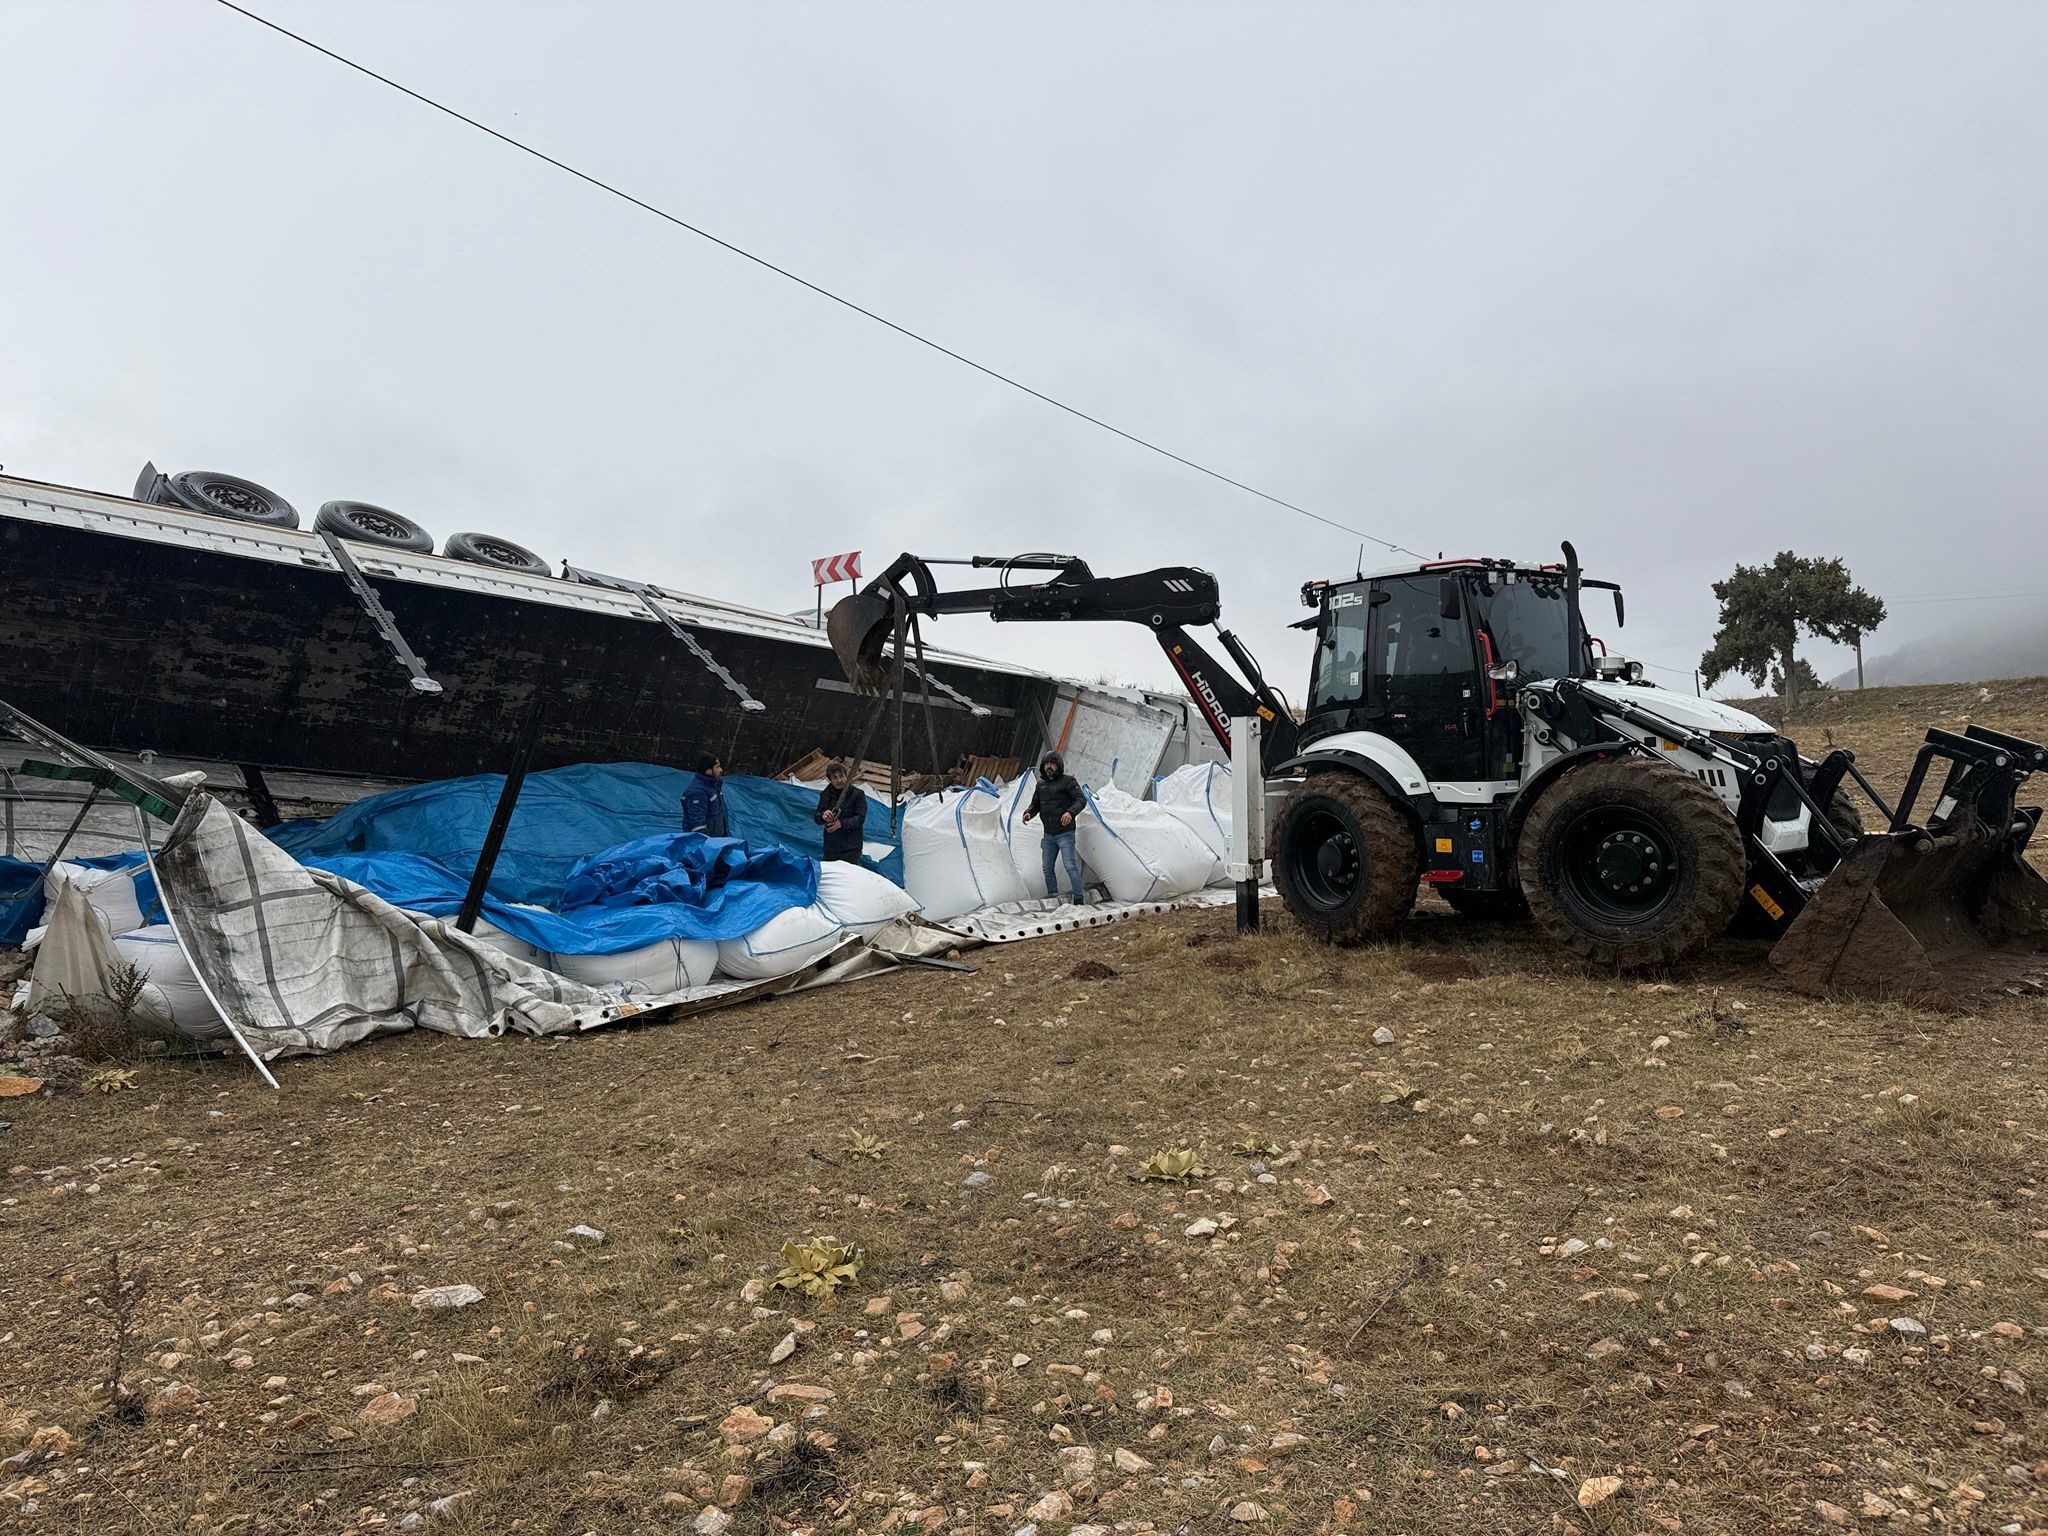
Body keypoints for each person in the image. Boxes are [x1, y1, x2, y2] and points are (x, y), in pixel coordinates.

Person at [1021, 750, 1088, 904]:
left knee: (1070, 866)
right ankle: (1053, 896)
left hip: (1065, 833)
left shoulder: (1069, 782)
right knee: (1047, 868)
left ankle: (1078, 898)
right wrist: (1028, 813)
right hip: (1049, 835)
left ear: (1059, 766)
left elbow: (1081, 800)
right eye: (1046, 764)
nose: (1049, 767)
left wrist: (1070, 813)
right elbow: (1035, 804)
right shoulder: (1041, 785)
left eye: (1052, 764)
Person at [813, 761, 868, 865]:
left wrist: (841, 824)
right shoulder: (826, 794)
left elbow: (860, 818)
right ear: (830, 780)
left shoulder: (857, 795)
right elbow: (817, 817)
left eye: (841, 776)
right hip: (831, 847)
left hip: (851, 847)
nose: (839, 780)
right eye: (835, 778)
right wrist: (824, 815)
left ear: (846, 776)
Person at [680, 752, 728, 837]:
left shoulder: (714, 786)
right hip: (706, 845)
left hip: (716, 842)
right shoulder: (697, 792)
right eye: (717, 767)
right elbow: (697, 824)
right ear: (708, 771)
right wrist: (708, 845)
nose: (721, 770)